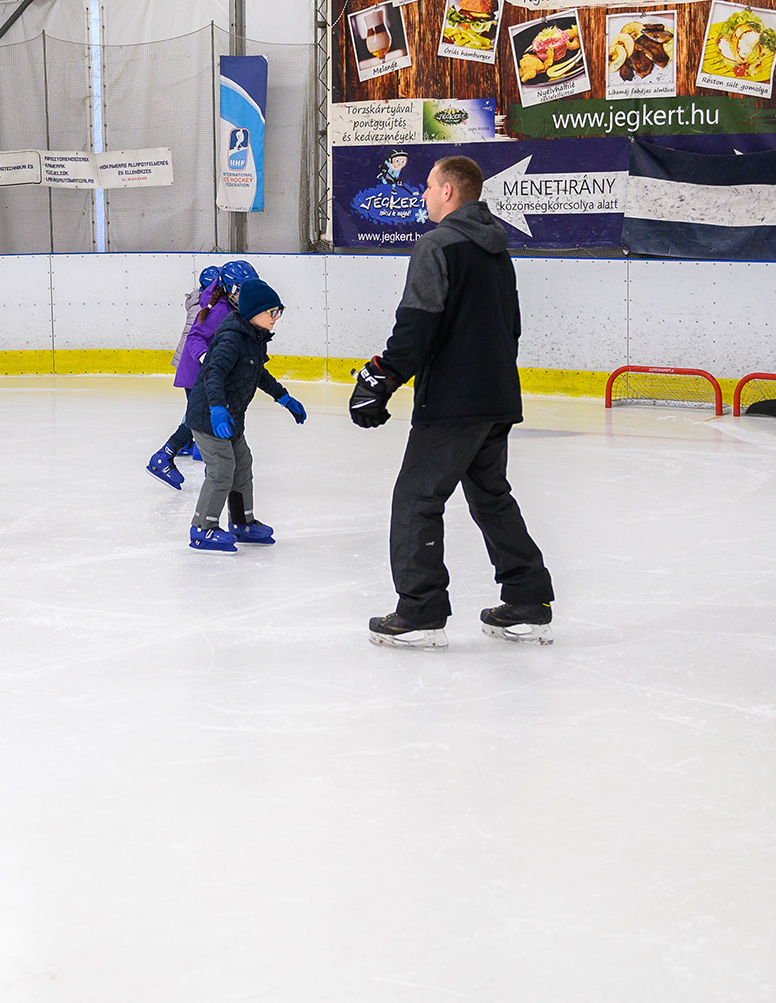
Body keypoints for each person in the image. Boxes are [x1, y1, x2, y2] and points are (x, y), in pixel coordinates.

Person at [349, 155, 555, 648]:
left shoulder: (436, 245)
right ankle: (527, 598)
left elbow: (416, 325)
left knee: (417, 499)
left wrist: (381, 379)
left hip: (452, 402)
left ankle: (420, 613)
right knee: (491, 497)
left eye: (428, 186)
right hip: (496, 396)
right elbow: (511, 326)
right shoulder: (496, 248)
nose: (422, 194)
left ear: (448, 191)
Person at [182, 277, 307, 552]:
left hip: (233, 415)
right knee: (221, 470)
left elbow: (257, 372)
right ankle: (203, 527)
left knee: (242, 465)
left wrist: (283, 397)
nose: (276, 318)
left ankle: (242, 523)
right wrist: (216, 408)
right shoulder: (231, 339)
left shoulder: (255, 338)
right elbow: (213, 372)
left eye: (279, 312)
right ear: (254, 312)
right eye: (272, 312)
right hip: (209, 415)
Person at [147, 259, 256, 489]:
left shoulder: (230, 307)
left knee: (203, 418)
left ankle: (198, 463)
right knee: (200, 419)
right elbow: (194, 336)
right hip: (199, 372)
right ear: (229, 288)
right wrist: (206, 358)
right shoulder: (219, 310)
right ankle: (165, 457)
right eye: (241, 290)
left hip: (208, 373)